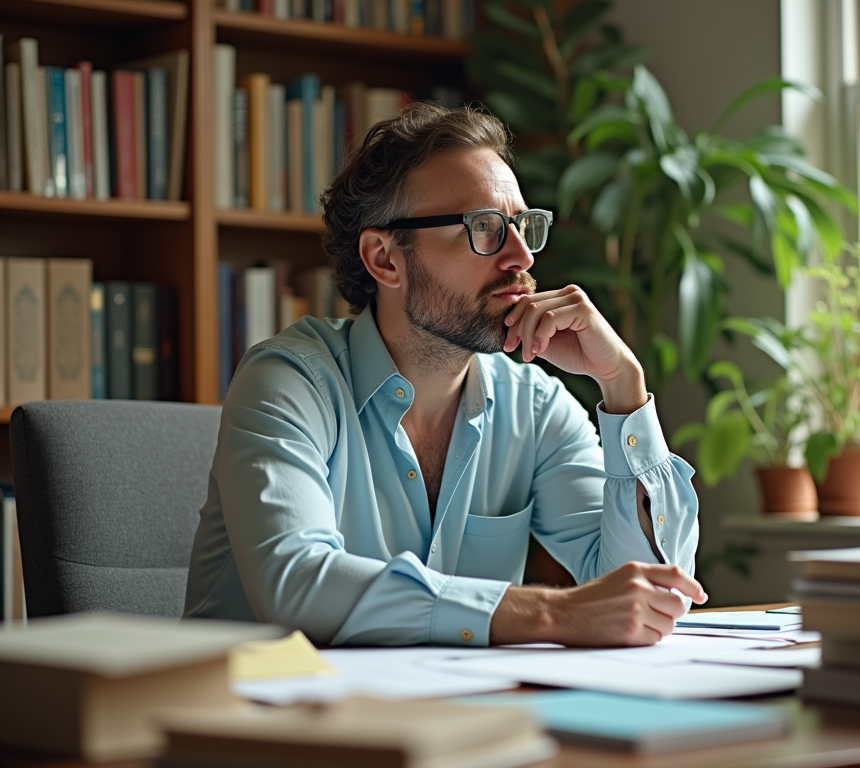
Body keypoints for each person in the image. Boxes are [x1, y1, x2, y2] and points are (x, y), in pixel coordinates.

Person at [184, 103, 705, 647]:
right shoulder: (289, 382)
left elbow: (649, 597)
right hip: (261, 716)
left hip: (445, 713)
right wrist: (547, 613)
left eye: (524, 227)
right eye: (484, 228)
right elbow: (296, 583)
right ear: (384, 259)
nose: (521, 256)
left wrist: (623, 387)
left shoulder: (536, 407)